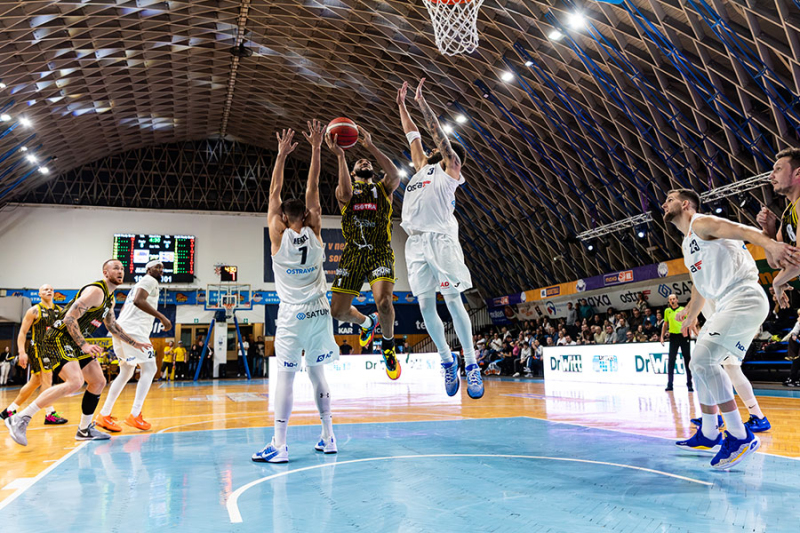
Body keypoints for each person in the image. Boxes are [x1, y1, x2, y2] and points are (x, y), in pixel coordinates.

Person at [663, 188, 796, 469]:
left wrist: (770, 245)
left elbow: (742, 229)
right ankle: (710, 431)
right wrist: (691, 315)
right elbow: (699, 287)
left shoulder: (701, 223)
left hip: (743, 296)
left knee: (704, 360)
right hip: (726, 303)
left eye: (670, 199)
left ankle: (739, 435)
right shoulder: (688, 243)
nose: (665, 203)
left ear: (686, 205)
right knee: (699, 365)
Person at [252, 121, 340, 464]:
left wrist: (280, 156)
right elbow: (314, 187)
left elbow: (274, 194)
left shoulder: (278, 237)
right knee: (318, 373)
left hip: (291, 313)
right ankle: (329, 436)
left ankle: (280, 444)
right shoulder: (317, 233)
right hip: (320, 311)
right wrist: (317, 149)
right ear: (307, 216)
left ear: (283, 220)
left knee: (286, 377)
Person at [396, 78, 484, 399]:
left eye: (439, 150)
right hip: (415, 243)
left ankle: (471, 364)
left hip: (441, 240)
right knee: (424, 305)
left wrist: (422, 103)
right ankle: (447, 360)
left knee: (452, 300)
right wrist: (403, 106)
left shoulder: (450, 172)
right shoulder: (421, 168)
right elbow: (413, 136)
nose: (431, 150)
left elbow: (438, 139)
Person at [6, 260, 152, 446]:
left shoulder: (110, 298)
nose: (120, 271)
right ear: (105, 272)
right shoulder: (95, 291)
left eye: (122, 269)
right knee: (75, 381)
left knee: (98, 381)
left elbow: (112, 326)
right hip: (57, 338)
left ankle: (84, 429)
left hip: (74, 341)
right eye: (116, 268)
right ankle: (21, 418)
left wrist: (134, 343)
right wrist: (84, 345)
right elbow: (69, 318)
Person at [326, 119, 402, 381]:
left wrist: (372, 148)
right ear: (353, 170)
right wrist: (340, 156)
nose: (364, 163)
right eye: (359, 163)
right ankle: (368, 323)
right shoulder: (345, 189)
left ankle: (389, 346)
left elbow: (396, 176)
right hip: (353, 253)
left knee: (384, 301)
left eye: (366, 162)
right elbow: (345, 192)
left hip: (380, 250)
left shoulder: (383, 188)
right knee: (337, 312)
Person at [96, 261, 171, 432]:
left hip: (122, 329)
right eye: (156, 267)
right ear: (148, 270)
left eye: (161, 267)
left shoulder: (138, 284)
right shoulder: (149, 280)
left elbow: (126, 308)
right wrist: (162, 318)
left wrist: (119, 329)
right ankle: (135, 414)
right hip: (134, 331)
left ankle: (104, 414)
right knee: (150, 369)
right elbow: (138, 301)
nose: (160, 269)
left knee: (126, 372)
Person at [0, 284, 67, 424]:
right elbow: (23, 332)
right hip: (38, 348)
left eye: (51, 289)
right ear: (40, 294)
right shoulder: (34, 311)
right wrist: (21, 352)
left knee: (35, 382)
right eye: (45, 290)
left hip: (52, 349)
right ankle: (50, 414)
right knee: (47, 379)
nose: (49, 291)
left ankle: (9, 410)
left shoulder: (59, 310)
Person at [660, 294, 693, 392]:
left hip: (683, 335)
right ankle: (670, 384)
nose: (672, 300)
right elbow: (665, 324)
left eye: (674, 299)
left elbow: (689, 321)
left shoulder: (683, 309)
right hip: (673, 336)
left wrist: (690, 332)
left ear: (677, 300)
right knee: (671, 360)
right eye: (670, 299)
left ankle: (689, 384)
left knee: (687, 360)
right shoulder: (667, 311)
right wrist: (661, 336)